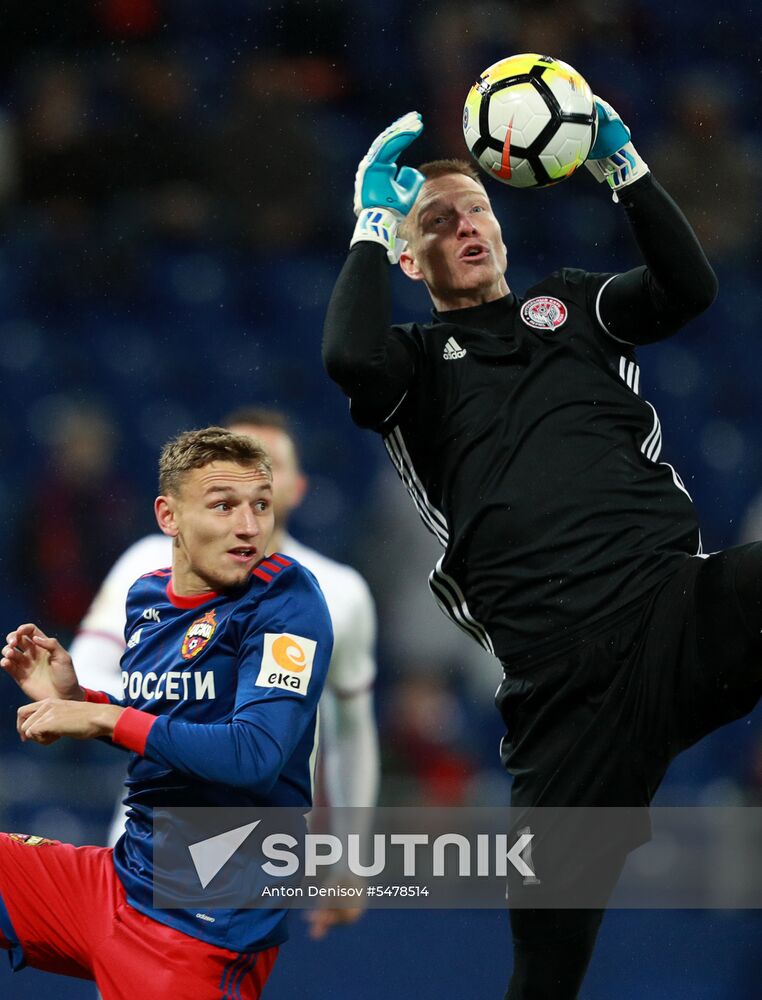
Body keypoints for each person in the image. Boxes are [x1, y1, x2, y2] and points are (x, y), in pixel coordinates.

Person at [323, 105, 762, 998]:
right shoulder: (408, 364)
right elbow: (348, 359)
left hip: (674, 607)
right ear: (409, 261)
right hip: (564, 695)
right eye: (434, 223)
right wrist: (370, 221)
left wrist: (624, 164)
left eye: (474, 209)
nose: (464, 226)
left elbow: (690, 289)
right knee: (547, 971)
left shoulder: (576, 305)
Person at [0, 427, 333, 998]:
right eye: (224, 506)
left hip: (205, 924)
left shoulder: (287, 601)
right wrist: (83, 700)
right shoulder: (147, 599)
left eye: (260, 505)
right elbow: (169, 726)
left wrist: (101, 719)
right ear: (168, 516)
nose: (249, 527)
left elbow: (254, 754)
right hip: (121, 878)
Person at [69, 406, 379, 941]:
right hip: (145, 824)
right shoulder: (148, 564)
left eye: (268, 464)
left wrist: (350, 853)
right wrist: (133, 717)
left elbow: (351, 732)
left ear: (295, 487)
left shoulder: (338, 591)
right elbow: (90, 664)